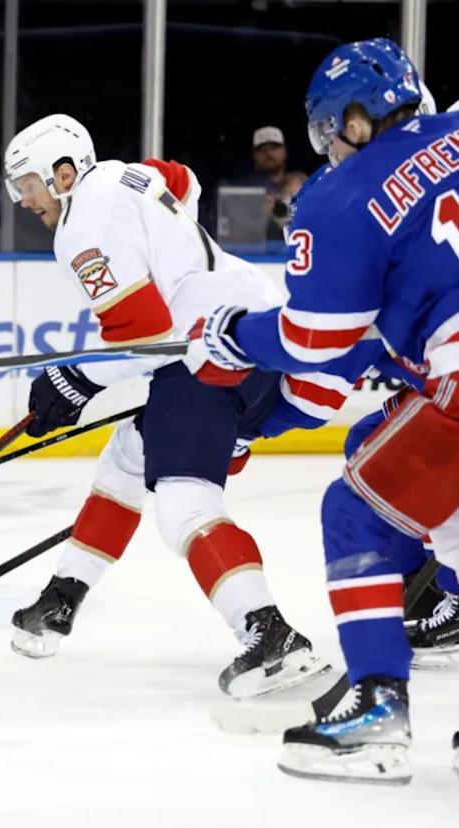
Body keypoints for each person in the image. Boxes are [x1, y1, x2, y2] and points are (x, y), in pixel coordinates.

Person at [185, 38, 459, 784]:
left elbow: (313, 340)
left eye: (330, 129)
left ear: (359, 119)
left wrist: (232, 335)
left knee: (358, 511)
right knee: (393, 453)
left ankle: (377, 708)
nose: (331, 146)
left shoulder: (340, 196)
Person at [1, 114, 331, 698]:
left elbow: (149, 339)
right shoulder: (130, 176)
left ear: (62, 171)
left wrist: (74, 378)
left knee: (184, 502)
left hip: (212, 354)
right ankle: (60, 599)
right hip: (263, 335)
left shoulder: (81, 225)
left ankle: (267, 629)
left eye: (26, 184)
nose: (23, 200)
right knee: (127, 460)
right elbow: (186, 182)